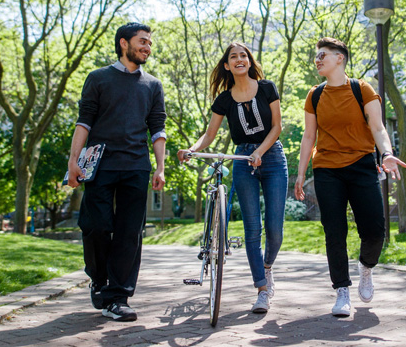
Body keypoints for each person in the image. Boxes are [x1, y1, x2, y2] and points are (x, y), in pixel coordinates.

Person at [293, 37, 406, 317]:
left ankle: (366, 267)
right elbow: (309, 136)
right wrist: (300, 173)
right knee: (334, 231)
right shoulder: (315, 95)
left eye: (322, 55)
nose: (317, 60)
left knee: (374, 230)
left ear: (339, 58)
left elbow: (378, 127)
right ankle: (342, 290)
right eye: (316, 56)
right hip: (327, 168)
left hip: (361, 164)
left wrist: (387, 154)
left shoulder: (362, 89)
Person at [177, 42, 288, 314]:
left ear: (249, 62)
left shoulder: (267, 88)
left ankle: (267, 267)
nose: (239, 59)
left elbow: (277, 127)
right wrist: (191, 149)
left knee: (275, 229)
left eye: (243, 56)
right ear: (227, 65)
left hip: (271, 156)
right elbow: (210, 134)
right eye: (233, 57)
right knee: (252, 230)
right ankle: (262, 289)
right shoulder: (224, 100)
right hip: (242, 161)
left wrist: (260, 151)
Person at [67, 22, 167, 322]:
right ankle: (98, 278)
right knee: (96, 225)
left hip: (136, 165)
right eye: (142, 42)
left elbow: (158, 128)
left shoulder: (153, 85)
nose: (147, 47)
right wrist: (73, 161)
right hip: (99, 165)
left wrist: (160, 167)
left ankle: (118, 297)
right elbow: (84, 121)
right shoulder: (98, 78)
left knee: (129, 233)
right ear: (124, 43)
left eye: (149, 43)